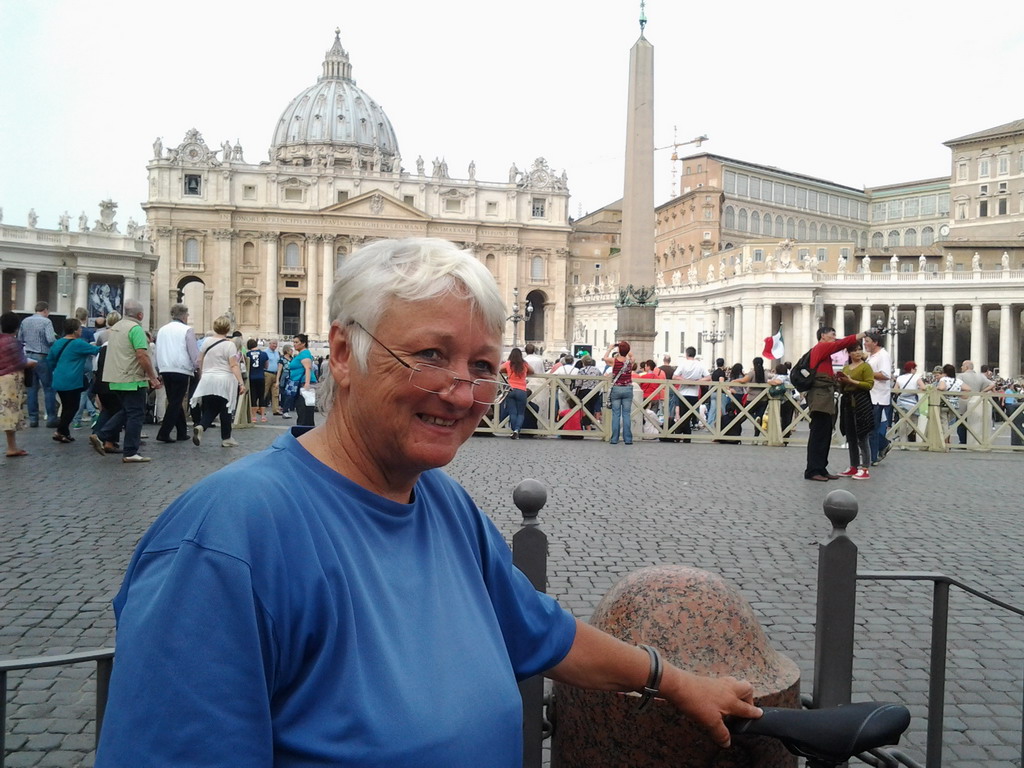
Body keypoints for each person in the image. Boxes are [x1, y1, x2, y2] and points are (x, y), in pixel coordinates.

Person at [94, 238, 760, 766]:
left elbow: (543, 632)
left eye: (480, 367)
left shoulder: (443, 504)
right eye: (430, 355)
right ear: (342, 353)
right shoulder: (225, 540)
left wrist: (672, 679)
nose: (461, 392)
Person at [89, 299, 162, 464]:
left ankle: (102, 434)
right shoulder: (135, 329)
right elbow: (142, 355)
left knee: (127, 411)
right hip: (132, 378)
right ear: (140, 315)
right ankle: (128, 450)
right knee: (136, 413)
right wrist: (152, 377)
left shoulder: (115, 328)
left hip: (115, 378)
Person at [804, 326, 868, 481]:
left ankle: (821, 467)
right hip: (819, 396)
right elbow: (841, 344)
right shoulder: (821, 347)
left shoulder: (824, 353)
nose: (835, 338)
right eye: (833, 334)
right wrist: (863, 334)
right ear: (823, 336)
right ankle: (812, 470)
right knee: (818, 433)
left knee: (825, 432)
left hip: (825, 395)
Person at [189, 316, 246, 448]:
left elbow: (199, 359)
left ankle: (201, 426)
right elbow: (233, 365)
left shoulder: (207, 341)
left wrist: (203, 375)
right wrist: (241, 383)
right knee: (226, 409)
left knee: (211, 407)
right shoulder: (230, 345)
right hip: (224, 379)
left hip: (208, 379)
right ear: (228, 328)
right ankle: (226, 438)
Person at [47, 318, 100, 443]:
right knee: (73, 407)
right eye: (80, 328)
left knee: (66, 406)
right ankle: (60, 431)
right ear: (76, 331)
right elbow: (96, 350)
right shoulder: (78, 343)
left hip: (59, 378)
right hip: (72, 380)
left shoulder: (58, 343)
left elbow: (50, 360)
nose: (81, 330)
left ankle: (65, 432)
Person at [154, 304, 200, 443]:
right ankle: (164, 432)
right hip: (181, 369)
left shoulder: (162, 330)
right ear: (184, 316)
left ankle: (181, 431)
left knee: (174, 399)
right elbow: (193, 351)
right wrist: (197, 367)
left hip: (165, 368)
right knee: (176, 401)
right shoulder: (187, 330)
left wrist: (158, 368)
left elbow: (158, 349)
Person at [835, 344, 875, 480]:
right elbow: (842, 388)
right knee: (851, 435)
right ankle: (854, 465)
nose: (858, 352)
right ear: (849, 353)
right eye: (854, 350)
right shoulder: (846, 368)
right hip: (847, 402)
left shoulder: (866, 367)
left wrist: (851, 380)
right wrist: (840, 381)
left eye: (859, 349)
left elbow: (869, 384)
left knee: (862, 435)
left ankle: (865, 467)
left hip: (861, 401)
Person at [0, 312, 37, 457]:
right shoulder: (13, 343)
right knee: (10, 413)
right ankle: (12, 447)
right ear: (17, 327)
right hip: (10, 382)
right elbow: (21, 362)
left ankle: (12, 446)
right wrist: (33, 363)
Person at [17, 301, 57, 428]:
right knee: (48, 388)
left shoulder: (25, 321)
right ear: (45, 310)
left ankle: (33, 419)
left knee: (31, 389)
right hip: (42, 356)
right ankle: (51, 418)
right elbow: (50, 339)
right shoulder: (46, 322)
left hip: (27, 356)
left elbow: (20, 339)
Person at [862, 332, 892, 465]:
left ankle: (873, 456)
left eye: (867, 341)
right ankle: (882, 445)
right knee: (868, 427)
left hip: (878, 396)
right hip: (869, 395)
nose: (865, 344)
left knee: (872, 428)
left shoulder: (883, 355)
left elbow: (885, 374)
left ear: (875, 342)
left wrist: (865, 373)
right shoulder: (871, 356)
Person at [672, 347, 709, 442]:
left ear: (686, 354)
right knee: (689, 416)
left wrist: (685, 380)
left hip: (683, 393)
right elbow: (708, 377)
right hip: (694, 394)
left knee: (683, 415)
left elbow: (674, 376)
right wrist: (697, 381)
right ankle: (686, 435)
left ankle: (680, 433)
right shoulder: (700, 365)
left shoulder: (683, 364)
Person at [603, 341, 635, 445]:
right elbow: (631, 355)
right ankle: (628, 439)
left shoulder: (614, 361)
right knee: (626, 414)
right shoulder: (631, 361)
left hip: (616, 389)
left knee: (616, 414)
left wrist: (610, 348)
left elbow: (604, 358)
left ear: (619, 350)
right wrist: (627, 349)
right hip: (628, 389)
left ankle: (614, 439)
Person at [957, 360, 993, 446]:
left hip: (964, 402)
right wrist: (981, 392)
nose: (961, 367)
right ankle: (975, 441)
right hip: (977, 402)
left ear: (966, 367)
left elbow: (957, 386)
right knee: (975, 423)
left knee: (961, 423)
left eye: (962, 366)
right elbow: (992, 384)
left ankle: (963, 442)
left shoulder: (961, 376)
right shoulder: (980, 376)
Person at [499, 347, 532, 438]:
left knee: (512, 412)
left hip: (511, 389)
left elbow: (499, 369)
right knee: (520, 413)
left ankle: (513, 430)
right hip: (521, 390)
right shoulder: (524, 364)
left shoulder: (508, 364)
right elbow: (532, 371)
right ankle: (517, 430)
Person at [288, 334, 318, 427]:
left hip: (303, 384)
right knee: (302, 409)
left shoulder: (304, 353)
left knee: (304, 410)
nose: (294, 344)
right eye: (293, 342)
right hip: (300, 383)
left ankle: (304, 430)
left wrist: (307, 383)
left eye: (296, 342)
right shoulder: (301, 354)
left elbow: (308, 368)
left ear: (303, 343)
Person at [937, 363, 970, 443]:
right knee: (949, 424)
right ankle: (948, 440)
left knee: (944, 423)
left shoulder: (944, 379)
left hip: (944, 403)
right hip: (955, 405)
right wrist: (959, 394)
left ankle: (945, 441)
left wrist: (936, 388)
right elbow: (968, 389)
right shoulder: (958, 381)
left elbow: (942, 387)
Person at [893, 361, 921, 445]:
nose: (915, 370)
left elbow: (896, 391)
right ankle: (900, 438)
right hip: (912, 403)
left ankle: (902, 441)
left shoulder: (900, 378)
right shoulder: (917, 377)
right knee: (914, 423)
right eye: (915, 369)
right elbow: (923, 387)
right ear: (912, 369)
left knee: (902, 422)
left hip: (901, 402)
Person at [246, 339, 269, 423]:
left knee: (253, 396)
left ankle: (254, 417)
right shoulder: (264, 354)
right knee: (261, 396)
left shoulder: (247, 354)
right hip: (261, 376)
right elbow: (266, 366)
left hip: (251, 377)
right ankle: (263, 416)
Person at [264, 339, 282, 415]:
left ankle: (276, 409)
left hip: (276, 374)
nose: (275, 345)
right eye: (273, 343)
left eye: (276, 344)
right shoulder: (265, 352)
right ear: (269, 344)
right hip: (267, 373)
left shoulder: (277, 353)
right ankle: (259, 408)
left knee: (275, 393)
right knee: (264, 391)